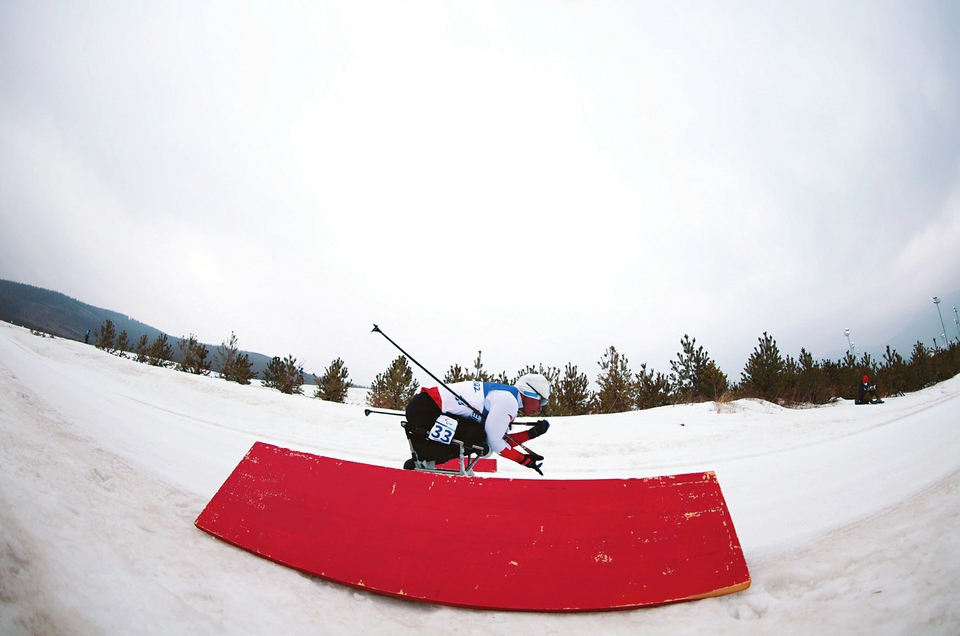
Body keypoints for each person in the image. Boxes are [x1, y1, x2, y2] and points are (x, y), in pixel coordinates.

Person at [403, 373, 551, 473]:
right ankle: (424, 463)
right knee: (477, 438)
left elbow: (500, 440)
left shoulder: (508, 397)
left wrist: (532, 433)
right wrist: (524, 461)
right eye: (542, 400)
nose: (541, 407)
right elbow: (495, 442)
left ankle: (424, 462)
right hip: (426, 410)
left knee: (480, 437)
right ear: (530, 393)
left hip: (424, 407)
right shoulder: (508, 401)